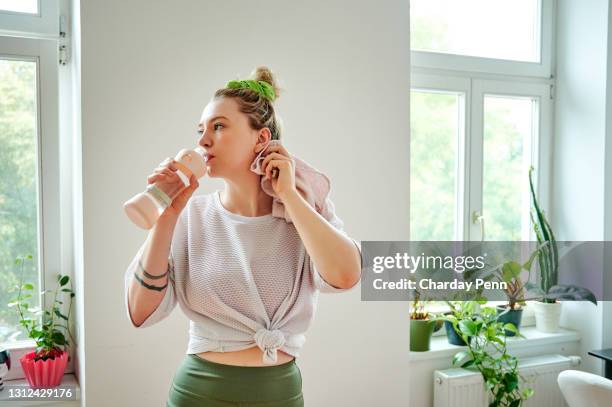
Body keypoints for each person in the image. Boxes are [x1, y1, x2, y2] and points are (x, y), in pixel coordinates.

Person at [124, 66, 362, 406]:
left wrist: (291, 198)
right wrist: (167, 215)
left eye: (218, 127)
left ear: (261, 139)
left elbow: (346, 275)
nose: (203, 140)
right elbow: (139, 312)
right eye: (201, 130)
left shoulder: (303, 210)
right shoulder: (192, 216)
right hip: (199, 392)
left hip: (279, 393)